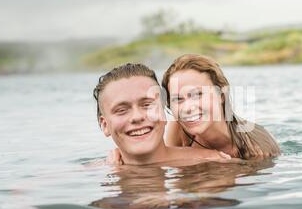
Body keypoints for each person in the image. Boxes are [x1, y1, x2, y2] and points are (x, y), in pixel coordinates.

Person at [108, 54, 280, 165]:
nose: (188, 108)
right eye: (177, 99)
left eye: (197, 94)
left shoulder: (253, 150)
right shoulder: (180, 128)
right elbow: (166, 159)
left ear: (222, 94)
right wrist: (122, 157)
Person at [93, 63, 230, 166]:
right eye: (122, 110)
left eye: (147, 105)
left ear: (164, 113)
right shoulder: (92, 171)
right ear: (104, 125)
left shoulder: (212, 161)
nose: (137, 117)